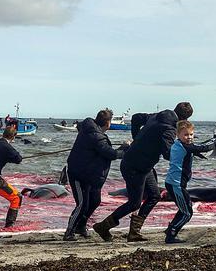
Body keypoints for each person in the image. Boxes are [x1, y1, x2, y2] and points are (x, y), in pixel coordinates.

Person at [93, 102, 193, 242]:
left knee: (154, 195)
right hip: (135, 167)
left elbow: (136, 118)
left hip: (142, 165)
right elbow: (167, 153)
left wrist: (136, 138)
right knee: (135, 203)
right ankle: (104, 226)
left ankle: (134, 232)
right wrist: (186, 151)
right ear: (184, 119)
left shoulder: (157, 115)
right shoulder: (169, 129)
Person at [64, 109, 128, 241]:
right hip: (78, 174)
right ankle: (69, 231)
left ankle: (80, 226)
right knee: (82, 204)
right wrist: (125, 149)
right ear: (108, 123)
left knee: (95, 201)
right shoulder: (97, 136)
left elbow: (80, 126)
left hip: (89, 174)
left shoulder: (88, 127)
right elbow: (111, 154)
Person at [164, 120, 216, 244]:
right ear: (178, 135)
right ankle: (171, 235)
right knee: (187, 213)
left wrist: (198, 151)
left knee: (184, 208)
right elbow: (204, 147)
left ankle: (170, 229)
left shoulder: (177, 144)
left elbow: (195, 149)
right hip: (176, 184)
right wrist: (215, 141)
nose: (189, 137)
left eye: (191, 134)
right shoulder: (185, 146)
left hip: (173, 183)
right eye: (186, 135)